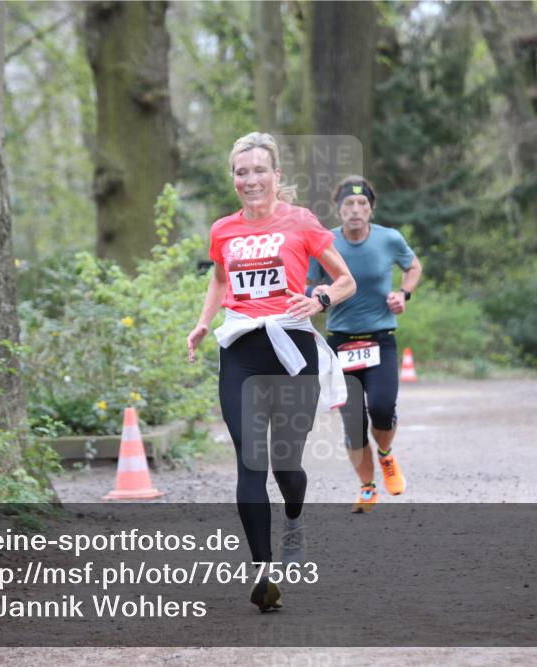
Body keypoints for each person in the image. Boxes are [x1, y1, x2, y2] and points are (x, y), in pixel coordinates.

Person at [186, 132, 356, 612]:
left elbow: (346, 280)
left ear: (277, 176)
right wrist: (203, 323)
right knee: (249, 461)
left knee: (286, 466)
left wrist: (319, 298)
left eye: (260, 170)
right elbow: (220, 276)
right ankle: (263, 571)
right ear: (233, 178)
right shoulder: (224, 230)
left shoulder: (301, 222)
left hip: (291, 349)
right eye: (242, 172)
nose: (251, 179)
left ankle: (295, 518)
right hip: (241, 347)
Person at [307, 175, 422, 513]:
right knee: (352, 422)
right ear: (338, 209)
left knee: (383, 409)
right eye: (348, 204)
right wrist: (313, 294)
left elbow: (412, 266)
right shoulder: (325, 242)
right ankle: (367, 487)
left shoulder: (390, 239)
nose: (355, 210)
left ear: (371, 209)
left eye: (362, 204)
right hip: (340, 344)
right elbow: (307, 282)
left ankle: (385, 455)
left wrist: (404, 294)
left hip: (380, 340)